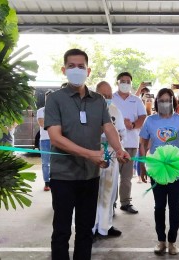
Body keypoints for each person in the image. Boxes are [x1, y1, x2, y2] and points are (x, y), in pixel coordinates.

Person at [44, 48, 130, 260]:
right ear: (63, 70)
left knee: (85, 231)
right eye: (71, 66)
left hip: (90, 176)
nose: (76, 70)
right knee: (62, 230)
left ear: (88, 70)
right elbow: (55, 137)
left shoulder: (98, 100)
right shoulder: (55, 99)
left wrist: (119, 149)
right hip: (63, 177)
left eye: (81, 66)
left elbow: (108, 127)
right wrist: (90, 154)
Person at [139, 88, 179, 255]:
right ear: (157, 102)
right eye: (161, 100)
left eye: (167, 100)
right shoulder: (150, 121)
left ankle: (172, 242)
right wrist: (143, 164)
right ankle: (161, 241)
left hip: (175, 171)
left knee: (174, 207)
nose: (165, 103)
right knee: (159, 207)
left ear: (173, 102)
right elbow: (142, 142)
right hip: (157, 171)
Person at [93, 81, 127, 238]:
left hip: (111, 156)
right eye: (102, 95)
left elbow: (122, 132)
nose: (106, 98)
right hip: (92, 155)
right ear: (95, 94)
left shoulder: (115, 111)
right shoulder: (88, 109)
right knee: (92, 193)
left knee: (109, 192)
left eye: (108, 96)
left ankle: (105, 226)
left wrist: (119, 143)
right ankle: (90, 228)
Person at [112, 72, 147, 214]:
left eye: (128, 81)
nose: (125, 84)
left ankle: (125, 202)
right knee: (112, 175)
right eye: (122, 81)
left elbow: (143, 116)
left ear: (131, 84)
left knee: (126, 177)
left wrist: (132, 125)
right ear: (117, 83)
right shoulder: (111, 98)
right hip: (113, 143)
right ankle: (111, 203)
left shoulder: (136, 100)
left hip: (131, 142)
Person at [37, 89, 53, 191]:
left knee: (57, 162)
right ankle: (47, 183)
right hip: (45, 140)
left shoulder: (60, 110)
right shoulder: (40, 111)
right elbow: (43, 124)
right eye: (47, 98)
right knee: (45, 163)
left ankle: (55, 181)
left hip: (57, 140)